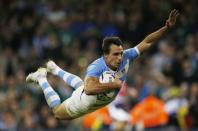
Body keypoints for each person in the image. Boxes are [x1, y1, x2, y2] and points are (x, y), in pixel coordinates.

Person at [26, 9, 179, 120]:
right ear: (106, 55)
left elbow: (147, 41)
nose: (119, 57)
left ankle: (55, 68)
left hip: (101, 101)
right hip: (84, 103)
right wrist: (113, 85)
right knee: (57, 112)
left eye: (120, 53)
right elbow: (89, 88)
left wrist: (166, 28)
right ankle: (41, 78)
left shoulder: (126, 56)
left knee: (79, 84)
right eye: (115, 54)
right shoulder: (96, 67)